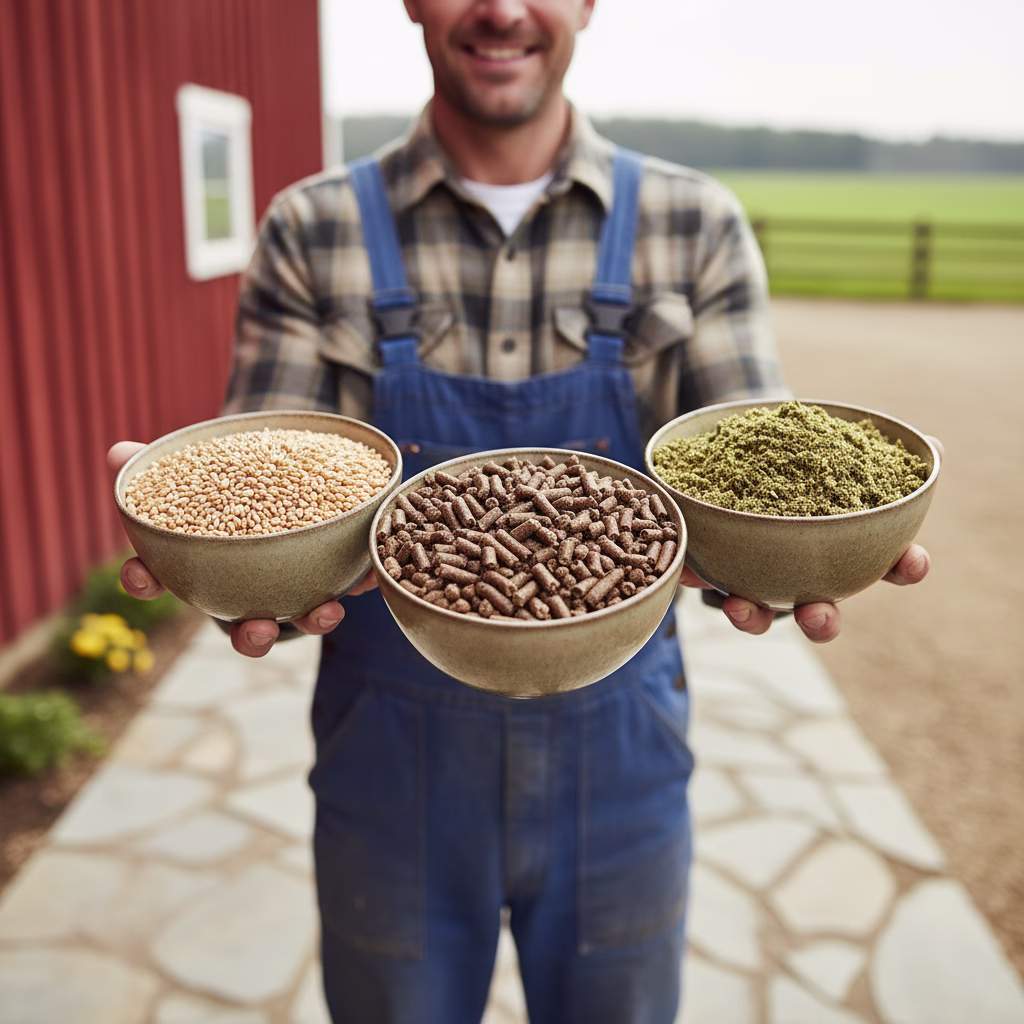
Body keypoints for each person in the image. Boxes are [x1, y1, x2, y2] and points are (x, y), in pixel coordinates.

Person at [108, 1, 938, 1020]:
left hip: (620, 747)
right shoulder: (310, 227)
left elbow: (741, 458)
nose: (501, 8)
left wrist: (802, 547)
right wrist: (220, 554)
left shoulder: (694, 221)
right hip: (389, 754)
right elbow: (275, 479)